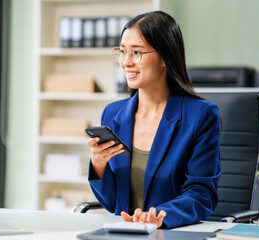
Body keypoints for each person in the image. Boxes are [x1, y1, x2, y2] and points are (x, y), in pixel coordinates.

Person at [87, 10, 222, 229]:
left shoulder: (201, 115)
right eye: (122, 52)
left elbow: (202, 194)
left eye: (136, 52)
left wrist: (161, 216)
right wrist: (98, 166)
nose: (126, 62)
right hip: (123, 231)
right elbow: (113, 204)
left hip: (172, 232)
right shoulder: (112, 114)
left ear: (164, 58)